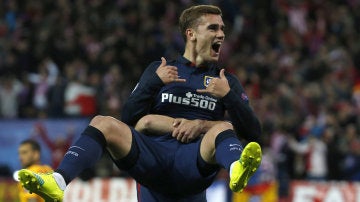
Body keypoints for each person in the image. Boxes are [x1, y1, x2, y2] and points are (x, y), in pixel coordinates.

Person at [18, 5, 262, 201]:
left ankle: (236, 171)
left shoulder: (225, 81)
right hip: (153, 159)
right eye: (213, 28)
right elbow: (130, 118)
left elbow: (252, 133)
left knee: (224, 128)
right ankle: (58, 181)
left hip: (192, 162)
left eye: (222, 28)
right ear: (191, 34)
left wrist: (223, 101)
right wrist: (153, 84)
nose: (221, 34)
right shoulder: (159, 70)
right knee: (103, 122)